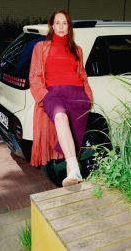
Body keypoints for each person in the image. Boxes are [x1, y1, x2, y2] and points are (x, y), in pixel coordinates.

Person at [29, 9, 93, 187]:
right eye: (57, 23)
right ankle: (73, 168)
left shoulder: (77, 50)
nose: (61, 26)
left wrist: (88, 97)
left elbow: (82, 75)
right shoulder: (40, 48)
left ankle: (73, 173)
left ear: (69, 26)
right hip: (53, 94)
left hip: (78, 95)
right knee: (60, 116)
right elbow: (34, 76)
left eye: (64, 23)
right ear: (51, 26)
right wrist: (44, 96)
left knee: (74, 135)